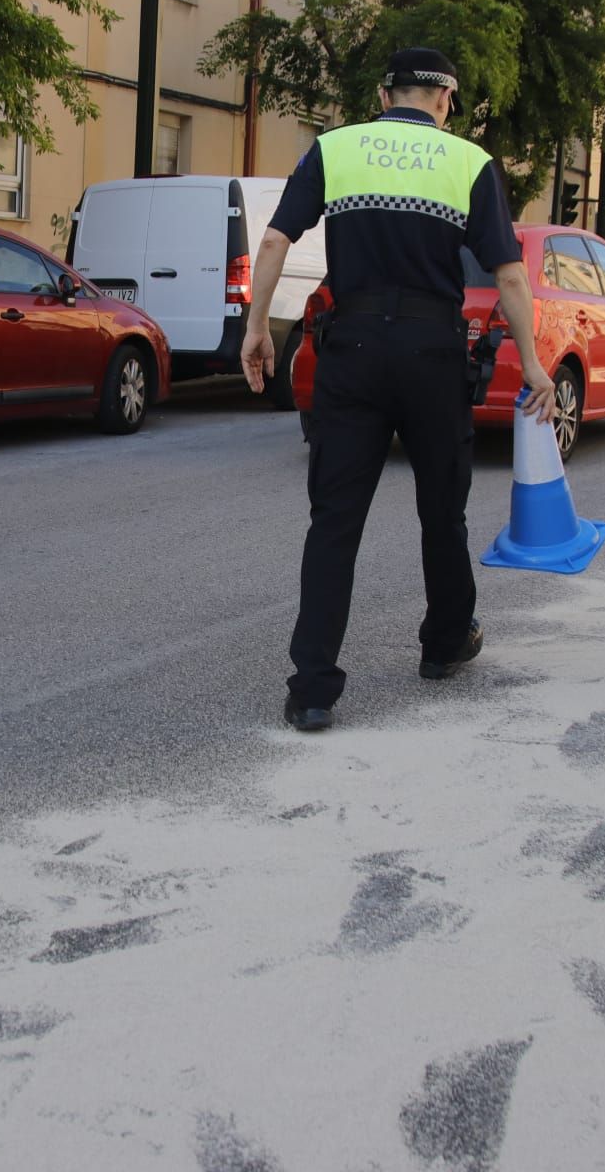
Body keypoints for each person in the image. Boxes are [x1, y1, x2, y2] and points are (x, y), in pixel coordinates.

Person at [239, 47, 556, 732]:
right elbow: (508, 276)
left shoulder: (334, 149)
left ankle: (315, 688)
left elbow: (273, 244)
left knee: (334, 520)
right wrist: (532, 363)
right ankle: (444, 645)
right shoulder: (469, 163)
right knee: (442, 508)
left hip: (349, 350)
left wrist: (258, 328)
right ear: (445, 101)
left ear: (384, 97)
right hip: (432, 354)